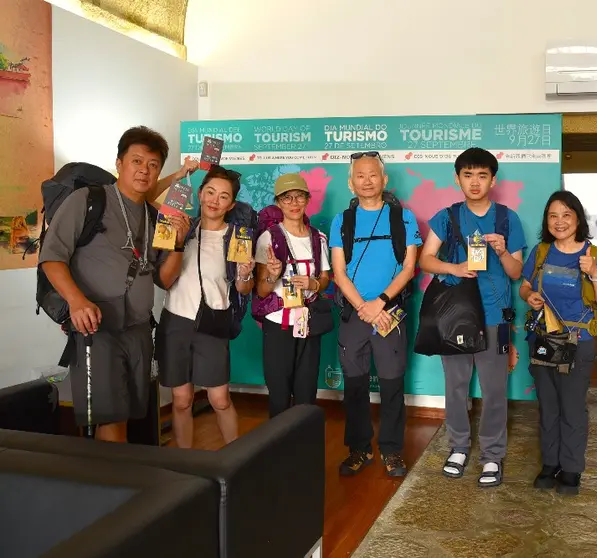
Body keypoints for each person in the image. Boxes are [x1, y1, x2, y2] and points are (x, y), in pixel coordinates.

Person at [39, 126, 191, 443]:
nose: (144, 170)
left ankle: (121, 483)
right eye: (136, 161)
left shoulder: (155, 216)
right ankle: (112, 489)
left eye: (152, 165)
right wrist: (76, 301)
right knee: (109, 418)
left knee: (131, 415)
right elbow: (52, 257)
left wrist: (178, 244)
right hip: (97, 329)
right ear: (119, 163)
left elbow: (165, 280)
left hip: (137, 330)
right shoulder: (89, 201)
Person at [418, 147, 526, 488]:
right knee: (456, 387)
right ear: (457, 179)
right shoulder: (447, 217)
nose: (475, 182)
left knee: (495, 390)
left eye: (482, 175)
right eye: (468, 175)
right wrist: (454, 267)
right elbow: (425, 259)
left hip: (496, 317)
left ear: (493, 180)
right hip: (457, 316)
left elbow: (516, 271)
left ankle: (492, 455)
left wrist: (501, 250)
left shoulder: (507, 219)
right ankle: (458, 447)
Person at [329, 151, 422, 477]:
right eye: (360, 175)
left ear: (384, 180)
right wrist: (364, 308)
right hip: (355, 313)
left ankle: (392, 451)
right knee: (354, 386)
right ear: (351, 182)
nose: (366, 181)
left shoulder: (404, 218)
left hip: (390, 312)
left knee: (392, 384)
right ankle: (359, 449)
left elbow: (409, 268)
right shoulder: (342, 220)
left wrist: (380, 303)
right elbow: (339, 273)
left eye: (373, 175)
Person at [519, 190, 597, 494]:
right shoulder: (541, 252)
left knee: (572, 407)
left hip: (578, 341)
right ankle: (550, 463)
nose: (559, 222)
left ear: (578, 219)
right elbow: (524, 286)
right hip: (544, 338)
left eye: (566, 215)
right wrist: (529, 296)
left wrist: (595, 273)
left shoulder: (593, 255)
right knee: (548, 405)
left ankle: (571, 468)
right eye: (553, 215)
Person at [155, 165, 255, 448]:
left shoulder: (238, 236)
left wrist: (246, 273)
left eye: (223, 196)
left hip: (213, 322)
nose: (215, 200)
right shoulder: (182, 228)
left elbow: (242, 289)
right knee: (182, 399)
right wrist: (178, 174)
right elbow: (163, 279)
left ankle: (236, 461)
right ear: (199, 194)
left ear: (232, 204)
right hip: (175, 322)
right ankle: (184, 464)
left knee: (220, 399)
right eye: (210, 192)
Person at [254, 173, 331, 417]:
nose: (294, 203)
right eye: (287, 198)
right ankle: (278, 451)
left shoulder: (318, 238)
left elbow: (326, 279)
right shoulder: (269, 238)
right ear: (278, 203)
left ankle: (302, 450)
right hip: (278, 324)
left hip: (308, 322)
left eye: (299, 197)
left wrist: (314, 284)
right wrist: (272, 275)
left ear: (308, 199)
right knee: (279, 391)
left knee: (307, 392)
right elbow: (261, 290)